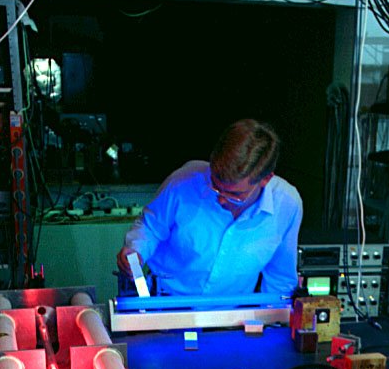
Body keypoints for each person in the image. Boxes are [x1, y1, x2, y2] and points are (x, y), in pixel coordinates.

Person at [116, 119, 302, 296]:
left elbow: (280, 280)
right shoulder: (184, 181)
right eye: (215, 187)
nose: (221, 200)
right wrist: (136, 251)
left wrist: (271, 322)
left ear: (265, 179)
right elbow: (150, 227)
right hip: (166, 302)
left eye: (235, 195)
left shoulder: (286, 204)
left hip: (231, 316)